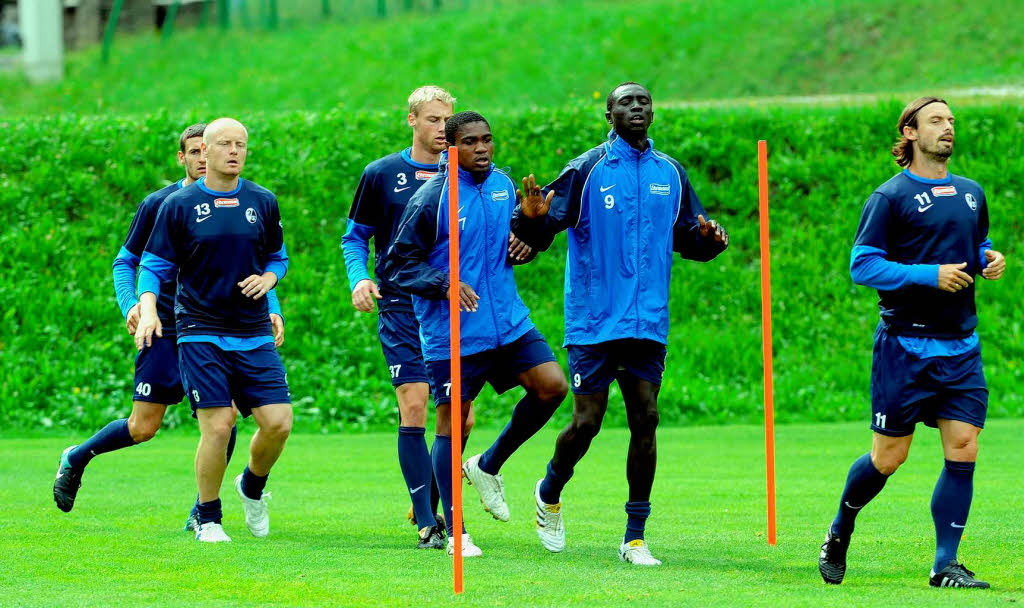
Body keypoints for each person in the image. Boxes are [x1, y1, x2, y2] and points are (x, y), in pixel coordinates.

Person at [511, 82, 728, 566]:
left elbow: (691, 238)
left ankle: (634, 537)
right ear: (608, 114)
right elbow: (543, 228)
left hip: (648, 319)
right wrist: (528, 220)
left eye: (643, 101)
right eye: (625, 102)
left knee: (646, 419)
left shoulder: (670, 173)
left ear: (653, 111)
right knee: (586, 422)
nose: (636, 107)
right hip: (594, 320)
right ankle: (548, 490)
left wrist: (713, 239)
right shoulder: (587, 170)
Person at [52, 123, 285, 521]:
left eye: (205, 150)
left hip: (218, 326)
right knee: (144, 426)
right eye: (193, 152)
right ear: (185, 157)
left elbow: (254, 261)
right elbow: (129, 261)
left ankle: (204, 509)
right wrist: (135, 305)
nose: (201, 158)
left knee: (223, 417)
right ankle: (77, 456)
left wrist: (272, 304)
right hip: (164, 325)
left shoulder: (247, 201)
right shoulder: (162, 204)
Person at [818, 97, 1004, 589]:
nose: (947, 129)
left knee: (964, 447)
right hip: (904, 347)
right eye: (936, 121)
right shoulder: (890, 197)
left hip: (960, 345)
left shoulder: (970, 193)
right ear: (910, 131)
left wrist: (988, 258)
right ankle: (840, 530)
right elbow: (863, 265)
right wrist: (929, 275)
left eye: (951, 122)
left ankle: (945, 564)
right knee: (888, 458)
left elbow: (975, 243)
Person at [385, 111, 568, 557]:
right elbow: (396, 265)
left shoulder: (504, 186)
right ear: (451, 148)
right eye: (470, 142)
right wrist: (445, 283)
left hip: (508, 322)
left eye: (487, 140)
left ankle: (486, 466)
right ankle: (456, 531)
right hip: (454, 334)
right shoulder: (432, 198)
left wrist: (532, 225)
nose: (482, 148)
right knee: (453, 424)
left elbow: (517, 249)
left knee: (552, 388)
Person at [135, 117, 293, 543]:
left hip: (253, 330)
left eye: (240, 144)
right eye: (225, 143)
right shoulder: (179, 205)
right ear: (204, 150)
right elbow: (152, 266)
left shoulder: (263, 200)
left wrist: (270, 281)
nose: (234, 151)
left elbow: (277, 258)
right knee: (218, 425)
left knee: (279, 423)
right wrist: (148, 309)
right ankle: (208, 517)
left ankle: (252, 486)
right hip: (200, 330)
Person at [342, 86, 466, 550]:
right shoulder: (381, 174)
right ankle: (427, 521)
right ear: (411, 120)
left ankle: (428, 501)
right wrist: (359, 278)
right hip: (398, 304)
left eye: (448, 121)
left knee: (459, 418)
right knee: (414, 403)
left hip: (450, 307)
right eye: (433, 120)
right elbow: (356, 237)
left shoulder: (464, 174)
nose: (442, 130)